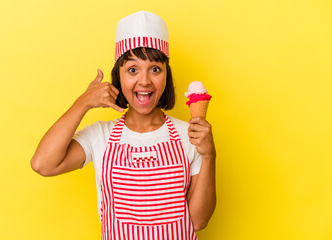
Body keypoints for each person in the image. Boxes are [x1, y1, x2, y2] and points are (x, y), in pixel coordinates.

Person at [31, 11, 216, 239]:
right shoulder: (101, 136)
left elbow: (198, 220)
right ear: (118, 77)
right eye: (132, 69)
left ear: (166, 75)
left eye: (155, 69)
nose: (145, 80)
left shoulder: (190, 136)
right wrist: (83, 103)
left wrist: (209, 156)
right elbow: (42, 164)